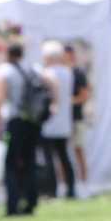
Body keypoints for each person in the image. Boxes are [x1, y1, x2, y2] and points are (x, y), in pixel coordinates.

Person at [0, 42, 39, 217]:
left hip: (14, 121)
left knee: (10, 163)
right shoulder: (32, 69)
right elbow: (50, 84)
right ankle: (31, 201)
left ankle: (13, 204)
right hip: (33, 121)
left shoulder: (4, 71)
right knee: (29, 162)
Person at [39, 41, 76, 200]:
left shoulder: (46, 73)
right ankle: (71, 188)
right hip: (65, 122)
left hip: (49, 123)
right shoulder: (68, 73)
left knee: (49, 159)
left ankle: (51, 190)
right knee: (64, 156)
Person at [65, 45, 90, 193]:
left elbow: (84, 95)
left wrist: (68, 101)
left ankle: (83, 181)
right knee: (62, 152)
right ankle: (65, 182)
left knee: (78, 149)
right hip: (64, 120)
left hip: (76, 117)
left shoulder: (78, 73)